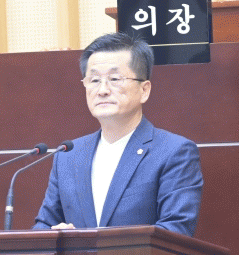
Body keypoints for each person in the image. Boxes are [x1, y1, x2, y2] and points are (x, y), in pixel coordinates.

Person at [33, 32, 203, 237]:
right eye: (94, 80)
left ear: (144, 90)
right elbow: (43, 227)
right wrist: (56, 235)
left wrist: (91, 244)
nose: (102, 90)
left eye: (114, 79)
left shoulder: (173, 152)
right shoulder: (68, 155)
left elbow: (176, 230)